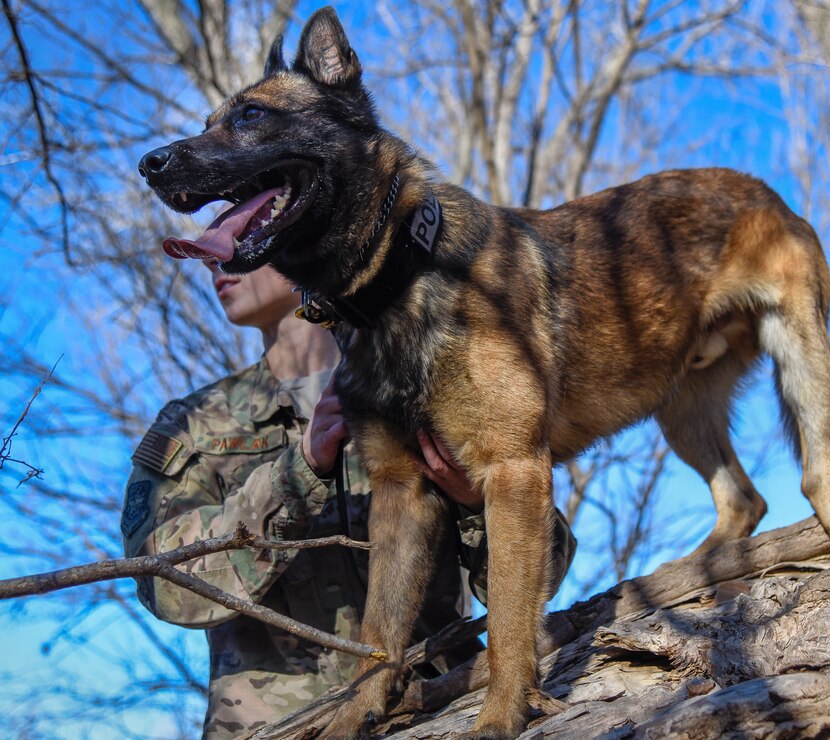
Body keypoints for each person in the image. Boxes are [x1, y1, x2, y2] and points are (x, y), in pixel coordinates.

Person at [120, 260, 575, 738]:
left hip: (438, 715)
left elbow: (550, 570)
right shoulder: (196, 424)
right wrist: (298, 471)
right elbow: (164, 586)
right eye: (210, 250)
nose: (216, 261)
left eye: (243, 236)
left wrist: (474, 502)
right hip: (276, 728)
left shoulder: (430, 381)